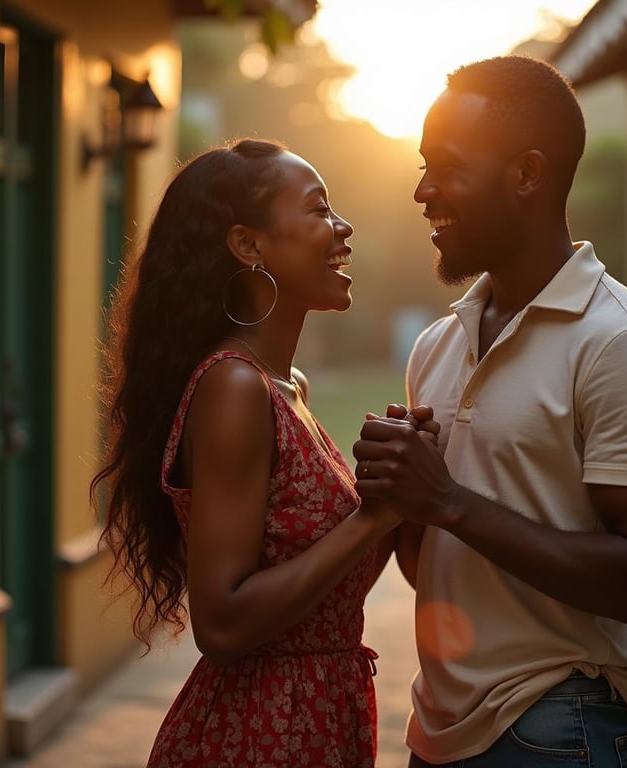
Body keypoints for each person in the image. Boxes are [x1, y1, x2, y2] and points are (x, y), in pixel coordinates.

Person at [353, 55, 627, 767]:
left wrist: (447, 500)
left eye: (445, 165)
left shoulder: (621, 345)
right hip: (441, 731)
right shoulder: (437, 346)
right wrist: (401, 498)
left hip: (562, 730)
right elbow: (440, 571)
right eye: (422, 165)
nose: (422, 190)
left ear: (528, 175)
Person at [90, 137, 435, 767]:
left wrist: (402, 480)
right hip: (258, 732)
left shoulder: (286, 387)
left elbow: (329, 583)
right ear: (249, 245)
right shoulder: (234, 386)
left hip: (319, 717)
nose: (343, 226)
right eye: (319, 209)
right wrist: (374, 516)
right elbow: (221, 625)